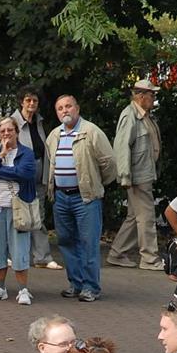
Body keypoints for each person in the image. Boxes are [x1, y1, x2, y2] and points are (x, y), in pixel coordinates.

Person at [44, 95, 117, 303]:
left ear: (77, 108)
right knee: (66, 242)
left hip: (85, 198)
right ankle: (75, 284)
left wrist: (94, 183)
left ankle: (91, 287)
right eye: (60, 108)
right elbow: (51, 163)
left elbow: (109, 163)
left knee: (88, 243)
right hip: (61, 197)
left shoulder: (91, 132)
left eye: (68, 106)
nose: (64, 111)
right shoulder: (54, 136)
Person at [0, 116, 38, 305]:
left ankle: (23, 290)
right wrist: (1, 156)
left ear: (17, 132)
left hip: (18, 209)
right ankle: (0, 288)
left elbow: (25, 173)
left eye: (10, 130)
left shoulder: (26, 153)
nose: (6, 134)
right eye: (2, 131)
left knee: (20, 250)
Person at [106, 79, 164, 271]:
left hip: (143, 172)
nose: (154, 98)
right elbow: (122, 146)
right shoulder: (129, 115)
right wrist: (124, 175)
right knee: (146, 216)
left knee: (134, 216)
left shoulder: (145, 115)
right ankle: (149, 258)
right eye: (152, 95)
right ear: (141, 96)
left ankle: (117, 253)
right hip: (137, 175)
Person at [10, 87, 60, 270]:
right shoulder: (12, 122)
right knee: (18, 216)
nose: (31, 103)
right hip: (20, 177)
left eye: (35, 101)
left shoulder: (38, 122)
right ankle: (13, 256)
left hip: (39, 176)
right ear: (21, 102)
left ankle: (42, 257)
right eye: (28, 100)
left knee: (38, 216)